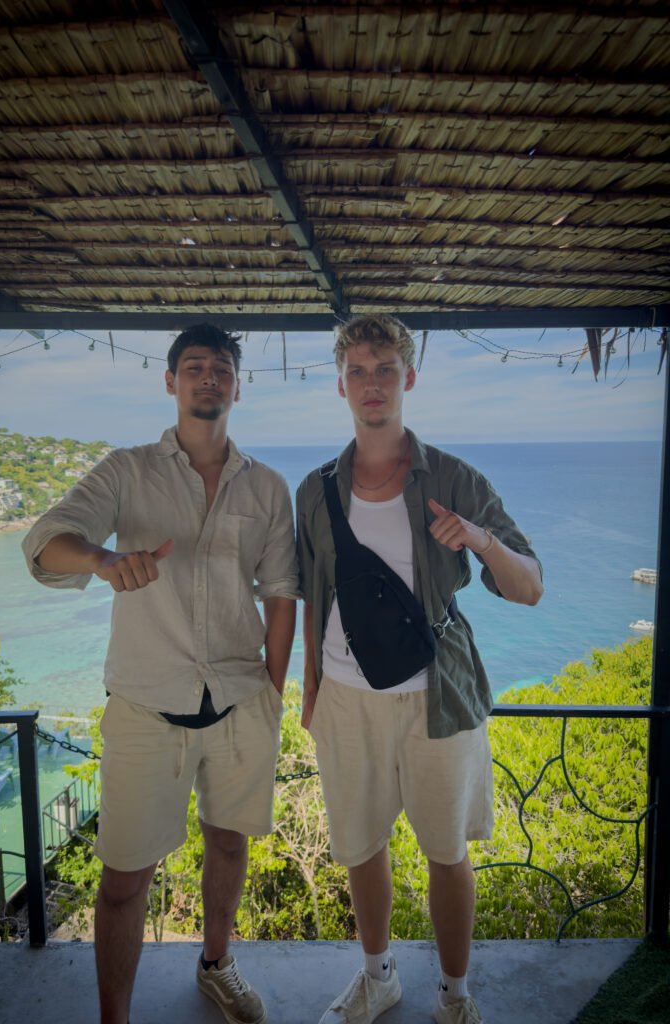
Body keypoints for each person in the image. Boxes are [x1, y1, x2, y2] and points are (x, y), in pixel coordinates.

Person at [22, 324, 298, 1024]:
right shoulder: (128, 470)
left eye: (222, 368)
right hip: (146, 711)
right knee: (122, 880)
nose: (209, 378)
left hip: (240, 703)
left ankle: (215, 963)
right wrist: (101, 560)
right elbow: (45, 543)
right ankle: (115, 1017)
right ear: (170, 380)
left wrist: (275, 689)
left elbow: (282, 594)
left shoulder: (266, 486)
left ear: (238, 384)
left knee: (229, 843)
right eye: (196, 366)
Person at [296, 314, 543, 1024]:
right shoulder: (315, 491)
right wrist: (310, 697)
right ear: (341, 383)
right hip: (345, 698)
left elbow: (529, 586)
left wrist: (480, 538)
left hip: (439, 698)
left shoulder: (454, 479)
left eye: (384, 368)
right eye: (358, 369)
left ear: (409, 377)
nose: (371, 383)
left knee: (445, 853)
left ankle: (455, 996)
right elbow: (314, 597)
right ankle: (379, 977)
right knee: (361, 846)